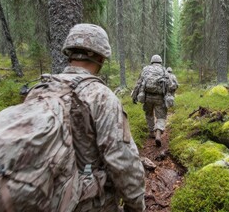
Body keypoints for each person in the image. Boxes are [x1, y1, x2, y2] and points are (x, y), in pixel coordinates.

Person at [61, 23, 145, 211]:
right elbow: (123, 160)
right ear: (100, 56)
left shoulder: (40, 89)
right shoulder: (101, 97)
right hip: (89, 203)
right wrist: (136, 204)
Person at [132, 54, 169, 147]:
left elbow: (139, 83)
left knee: (149, 114)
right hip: (159, 97)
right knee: (161, 116)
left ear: (152, 61)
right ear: (160, 61)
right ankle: (158, 133)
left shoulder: (146, 69)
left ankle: (151, 131)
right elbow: (169, 84)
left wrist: (134, 96)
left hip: (147, 96)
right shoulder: (164, 70)